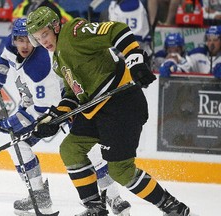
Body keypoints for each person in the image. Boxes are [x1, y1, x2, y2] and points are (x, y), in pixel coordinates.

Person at [26, 6, 192, 216]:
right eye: (38, 38)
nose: (43, 41)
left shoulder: (74, 33)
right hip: (97, 109)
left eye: (45, 34)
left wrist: (134, 60)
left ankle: (173, 207)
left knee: (120, 170)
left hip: (122, 103)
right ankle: (95, 208)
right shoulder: (58, 61)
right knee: (70, 149)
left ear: (56, 26)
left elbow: (117, 29)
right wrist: (55, 117)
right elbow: (73, 93)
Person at [0, 18, 131, 216]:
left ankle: (113, 197)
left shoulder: (40, 66)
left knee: (90, 151)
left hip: (68, 106)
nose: (24, 45)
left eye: (28, 40)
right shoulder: (13, 45)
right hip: (47, 107)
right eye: (19, 40)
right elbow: (4, 55)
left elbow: (43, 110)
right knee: (18, 143)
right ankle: (39, 195)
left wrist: (14, 121)